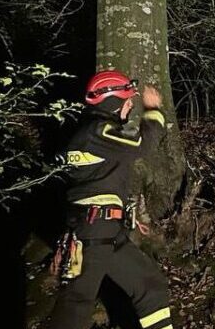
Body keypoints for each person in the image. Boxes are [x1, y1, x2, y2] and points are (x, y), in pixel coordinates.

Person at [49, 70, 174, 329]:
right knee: (76, 304)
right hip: (95, 230)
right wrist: (154, 112)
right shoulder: (99, 131)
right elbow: (142, 145)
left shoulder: (85, 135)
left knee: (149, 285)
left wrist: (126, 213)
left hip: (103, 228)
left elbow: (102, 179)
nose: (130, 107)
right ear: (114, 102)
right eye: (128, 101)